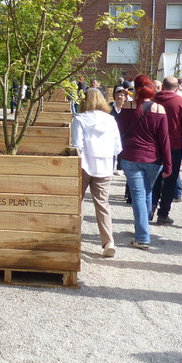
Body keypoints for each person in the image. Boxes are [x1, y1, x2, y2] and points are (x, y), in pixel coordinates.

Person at [117, 78, 172, 249]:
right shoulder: (159, 109)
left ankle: (142, 236)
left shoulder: (127, 107)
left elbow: (119, 132)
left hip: (131, 157)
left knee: (140, 195)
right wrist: (169, 164)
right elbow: (164, 140)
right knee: (147, 192)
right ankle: (143, 228)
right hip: (154, 159)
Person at [71, 89, 123, 257]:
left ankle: (73, 238)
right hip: (105, 166)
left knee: (76, 202)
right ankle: (109, 241)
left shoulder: (79, 119)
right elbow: (117, 147)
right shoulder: (111, 120)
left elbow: (76, 145)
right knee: (103, 205)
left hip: (84, 165)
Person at [151, 76, 182, 225]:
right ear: (177, 88)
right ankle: (163, 214)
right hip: (173, 146)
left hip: (153, 146)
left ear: (162, 86)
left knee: (153, 178)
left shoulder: (152, 101)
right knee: (170, 180)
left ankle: (150, 208)